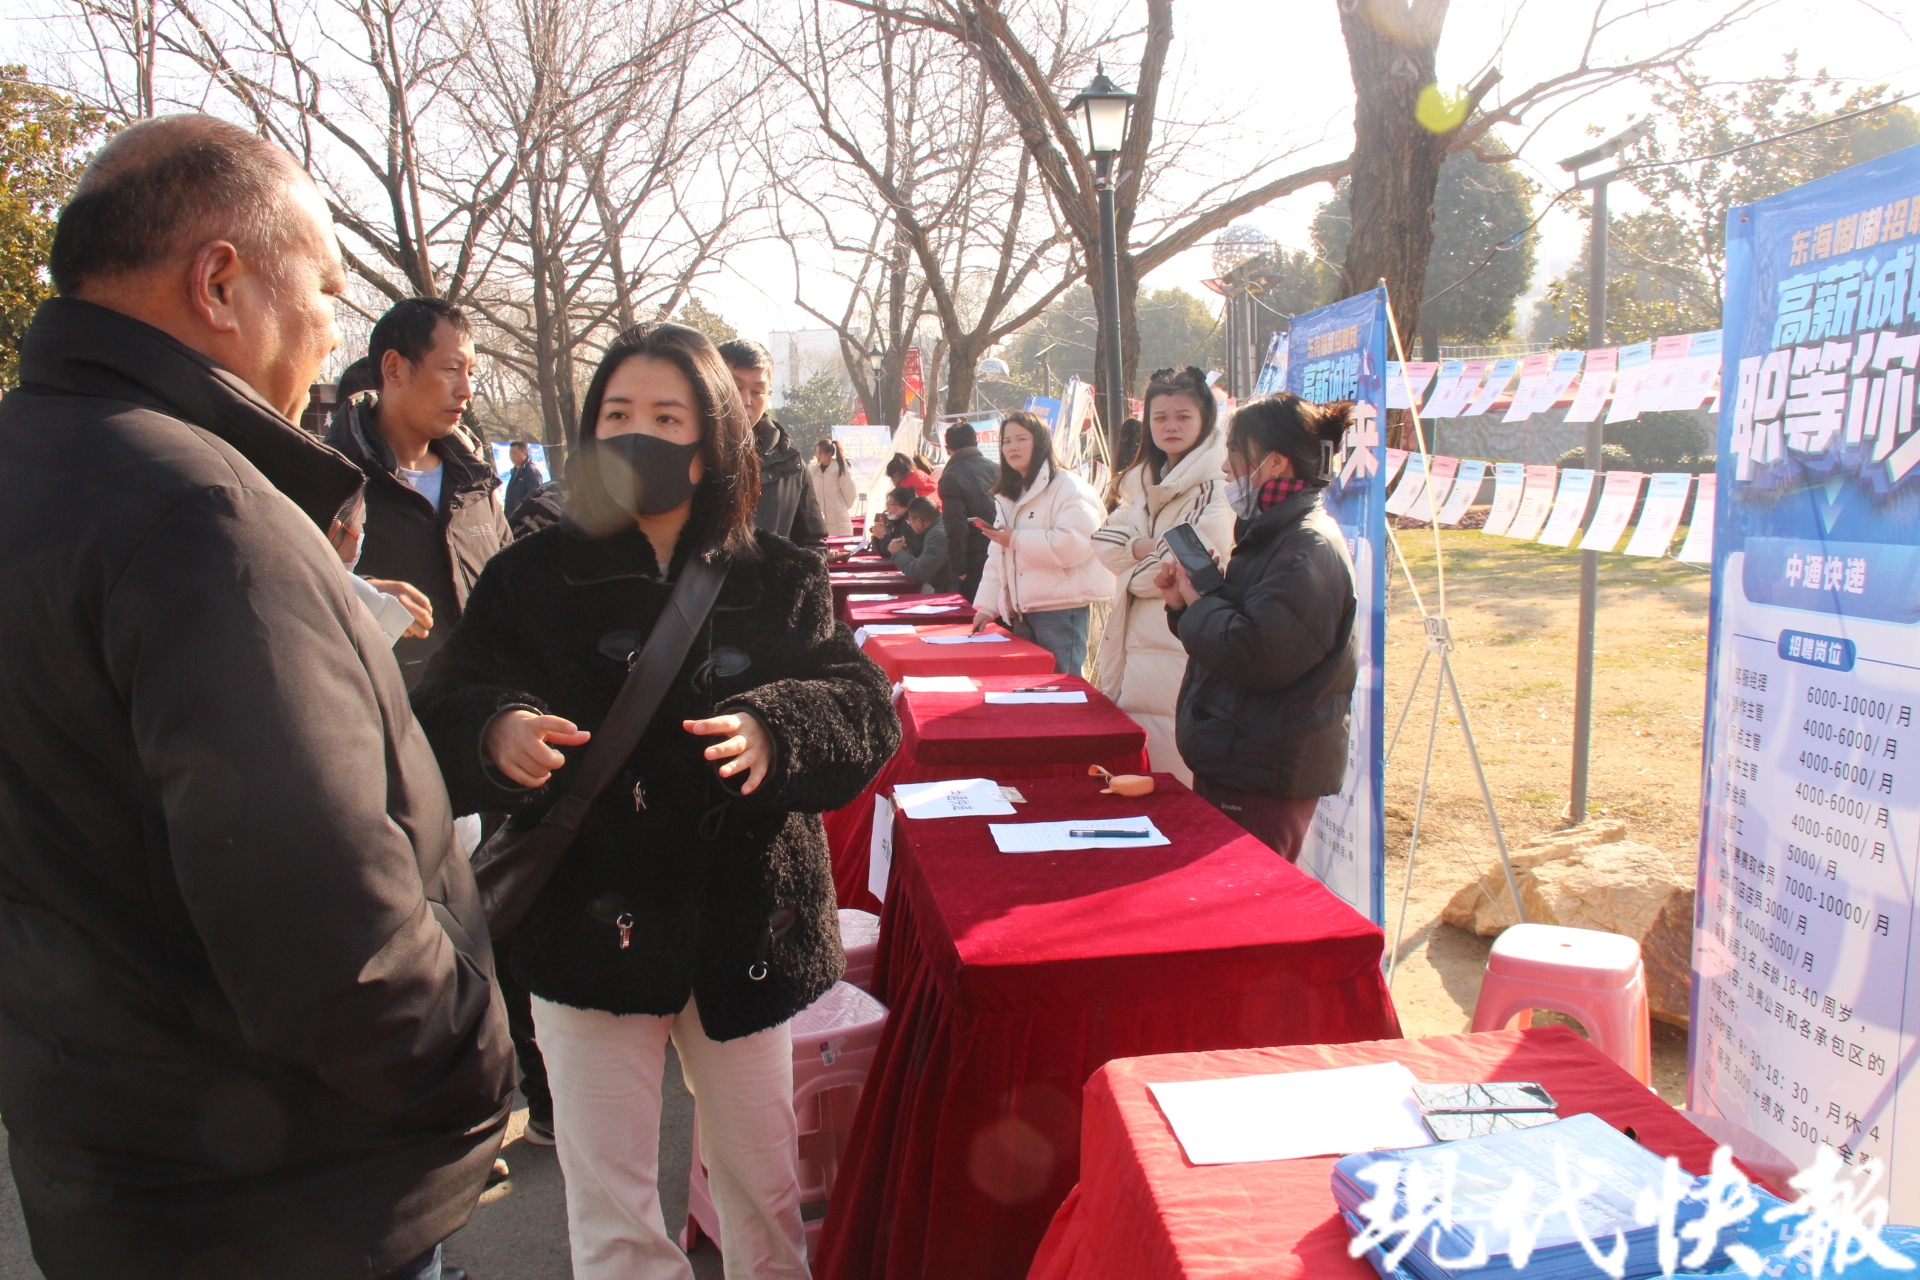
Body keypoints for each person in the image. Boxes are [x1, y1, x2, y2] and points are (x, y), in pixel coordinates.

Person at [0, 113, 511, 1280]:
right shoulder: (204, 514)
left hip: (110, 1161)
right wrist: (475, 1053)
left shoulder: (37, 460)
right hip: (287, 1191)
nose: (331, 324)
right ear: (222, 280)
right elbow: (333, 935)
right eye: (325, 289)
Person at [412, 322, 900, 1280]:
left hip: (744, 922)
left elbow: (861, 705)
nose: (639, 435)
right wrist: (497, 730)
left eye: (667, 417)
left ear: (714, 437)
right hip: (587, 920)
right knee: (614, 1213)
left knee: (763, 1193)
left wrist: (777, 726)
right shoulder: (529, 576)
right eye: (618, 414)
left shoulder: (779, 574)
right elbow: (440, 710)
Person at [1158, 392, 1357, 863]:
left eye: (1235, 452)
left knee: (1245, 912)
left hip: (1265, 767)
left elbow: (1260, 653)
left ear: (1275, 462)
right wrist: (1186, 606)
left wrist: (1199, 602)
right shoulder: (1270, 533)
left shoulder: (1306, 546)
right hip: (1242, 756)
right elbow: (1249, 627)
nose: (1227, 469)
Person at [327, 297, 510, 687]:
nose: (466, 390)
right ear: (394, 368)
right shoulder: (333, 482)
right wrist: (356, 595)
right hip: (383, 726)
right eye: (450, 369)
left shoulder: (477, 485)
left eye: (472, 372)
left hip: (481, 722)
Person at [1092, 366, 1236, 783]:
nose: (1171, 426)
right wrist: (1146, 548)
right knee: (1139, 770)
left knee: (1174, 773)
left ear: (1205, 420)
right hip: (1132, 646)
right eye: (1160, 417)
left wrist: (1135, 556)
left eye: (1183, 416)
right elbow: (1101, 541)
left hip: (1179, 646)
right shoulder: (1140, 485)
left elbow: (1178, 568)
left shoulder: (1215, 489)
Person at [969, 411, 1112, 675]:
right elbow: (997, 556)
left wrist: (1016, 539)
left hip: (1061, 611)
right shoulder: (1010, 495)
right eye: (1006, 441)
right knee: (1033, 690)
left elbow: (1075, 545)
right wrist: (987, 607)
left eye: (1021, 439)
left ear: (1041, 442)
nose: (1012, 447)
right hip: (1022, 611)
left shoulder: (1070, 488)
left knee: (1063, 688)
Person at [718, 338, 829, 553]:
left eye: (757, 391)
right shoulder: (688, 453)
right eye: (735, 387)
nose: (745, 401)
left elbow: (812, 544)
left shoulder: (790, 463)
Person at [937, 421, 998, 600]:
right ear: (976, 443)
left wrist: (960, 569)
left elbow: (955, 527)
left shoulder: (951, 478)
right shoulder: (997, 469)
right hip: (1003, 552)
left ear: (948, 449)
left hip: (975, 560)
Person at [891, 495, 957, 593]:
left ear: (919, 522)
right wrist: (904, 552)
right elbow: (923, 565)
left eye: (910, 521)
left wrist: (897, 552)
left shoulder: (937, 535)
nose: (909, 525)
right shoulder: (940, 526)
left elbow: (918, 573)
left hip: (948, 590)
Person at [810, 437, 860, 536]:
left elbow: (851, 495)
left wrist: (840, 507)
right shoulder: (813, 472)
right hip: (820, 522)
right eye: (816, 452)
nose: (817, 455)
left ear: (829, 454)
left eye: (820, 453)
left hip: (839, 522)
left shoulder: (840, 469)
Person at [865, 485, 916, 556]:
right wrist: (877, 535)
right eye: (887, 504)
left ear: (905, 508)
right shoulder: (895, 522)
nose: (887, 508)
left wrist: (883, 536)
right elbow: (881, 551)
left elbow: (893, 552)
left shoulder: (909, 525)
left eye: (890, 504)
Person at [503, 438, 546, 518]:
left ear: (524, 453)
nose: (512, 456)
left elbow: (534, 497)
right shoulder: (515, 471)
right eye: (510, 453)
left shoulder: (531, 471)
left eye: (515, 453)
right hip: (512, 517)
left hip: (524, 518)